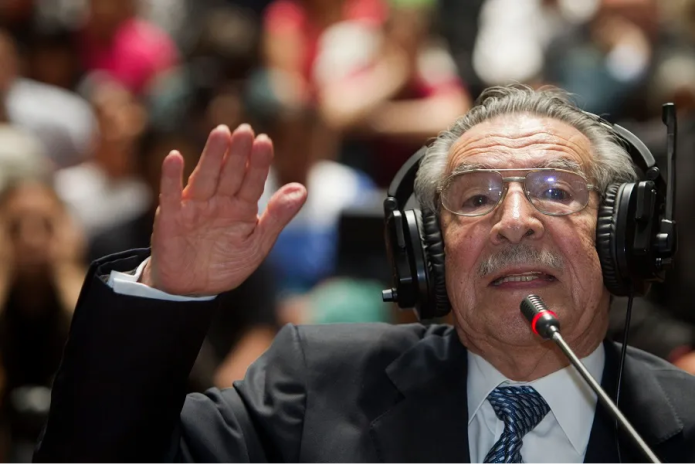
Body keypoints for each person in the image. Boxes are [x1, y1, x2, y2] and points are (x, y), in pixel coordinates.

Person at [33, 85, 695, 463]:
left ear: (623, 235)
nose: (513, 221)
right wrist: (170, 294)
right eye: (474, 197)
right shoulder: (315, 385)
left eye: (555, 191)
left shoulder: (680, 423)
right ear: (428, 248)